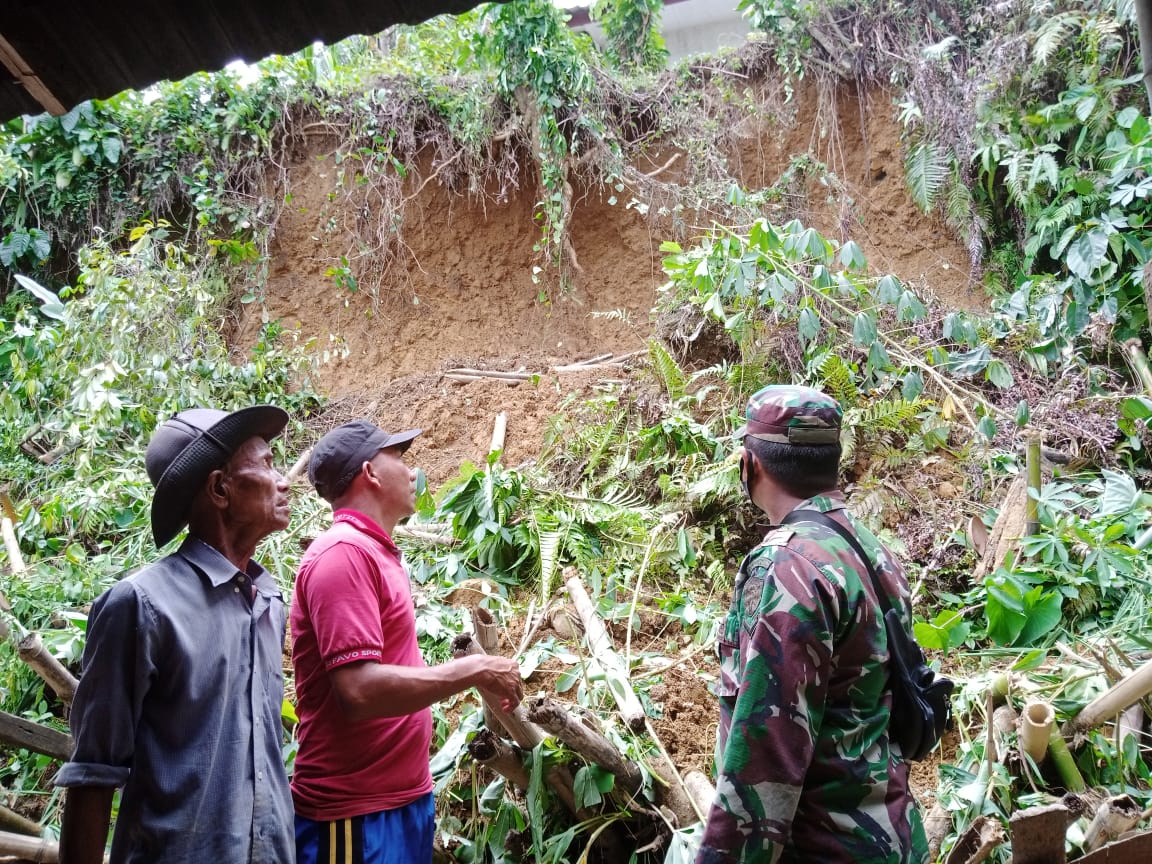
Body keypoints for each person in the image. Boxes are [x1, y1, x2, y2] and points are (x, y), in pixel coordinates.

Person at [696, 385, 928, 864]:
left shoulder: (787, 565)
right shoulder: (868, 548)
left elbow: (767, 750)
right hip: (892, 835)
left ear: (749, 465)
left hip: (824, 849)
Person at [55, 406, 296, 864]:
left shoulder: (267, 600)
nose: (283, 480)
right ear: (220, 489)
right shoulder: (141, 606)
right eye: (266, 465)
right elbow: (93, 774)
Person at [290, 419, 523, 864]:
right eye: (398, 458)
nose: (413, 472)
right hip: (355, 813)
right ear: (371, 474)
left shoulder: (376, 552)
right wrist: (474, 668)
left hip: (400, 798)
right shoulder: (344, 556)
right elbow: (358, 691)